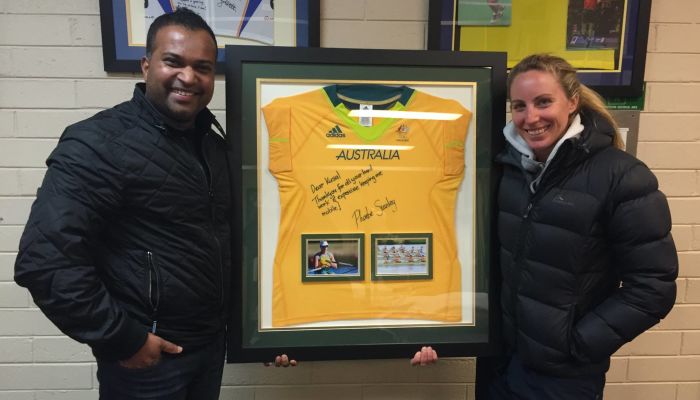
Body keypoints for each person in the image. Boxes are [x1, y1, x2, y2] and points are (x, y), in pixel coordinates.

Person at [14, 8, 292, 400]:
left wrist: (265, 331)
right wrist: (123, 339)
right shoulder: (98, 144)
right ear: (147, 65)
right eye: (173, 61)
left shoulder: (216, 147)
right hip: (147, 361)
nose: (188, 77)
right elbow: (45, 261)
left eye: (203, 67)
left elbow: (238, 244)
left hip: (209, 348)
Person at [412, 54, 678, 399]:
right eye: (519, 106)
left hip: (563, 378)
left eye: (543, 102)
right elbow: (486, 261)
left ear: (572, 101)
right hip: (500, 364)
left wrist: (577, 345)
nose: (531, 117)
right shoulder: (504, 168)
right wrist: (443, 328)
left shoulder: (622, 176)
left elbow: (653, 287)